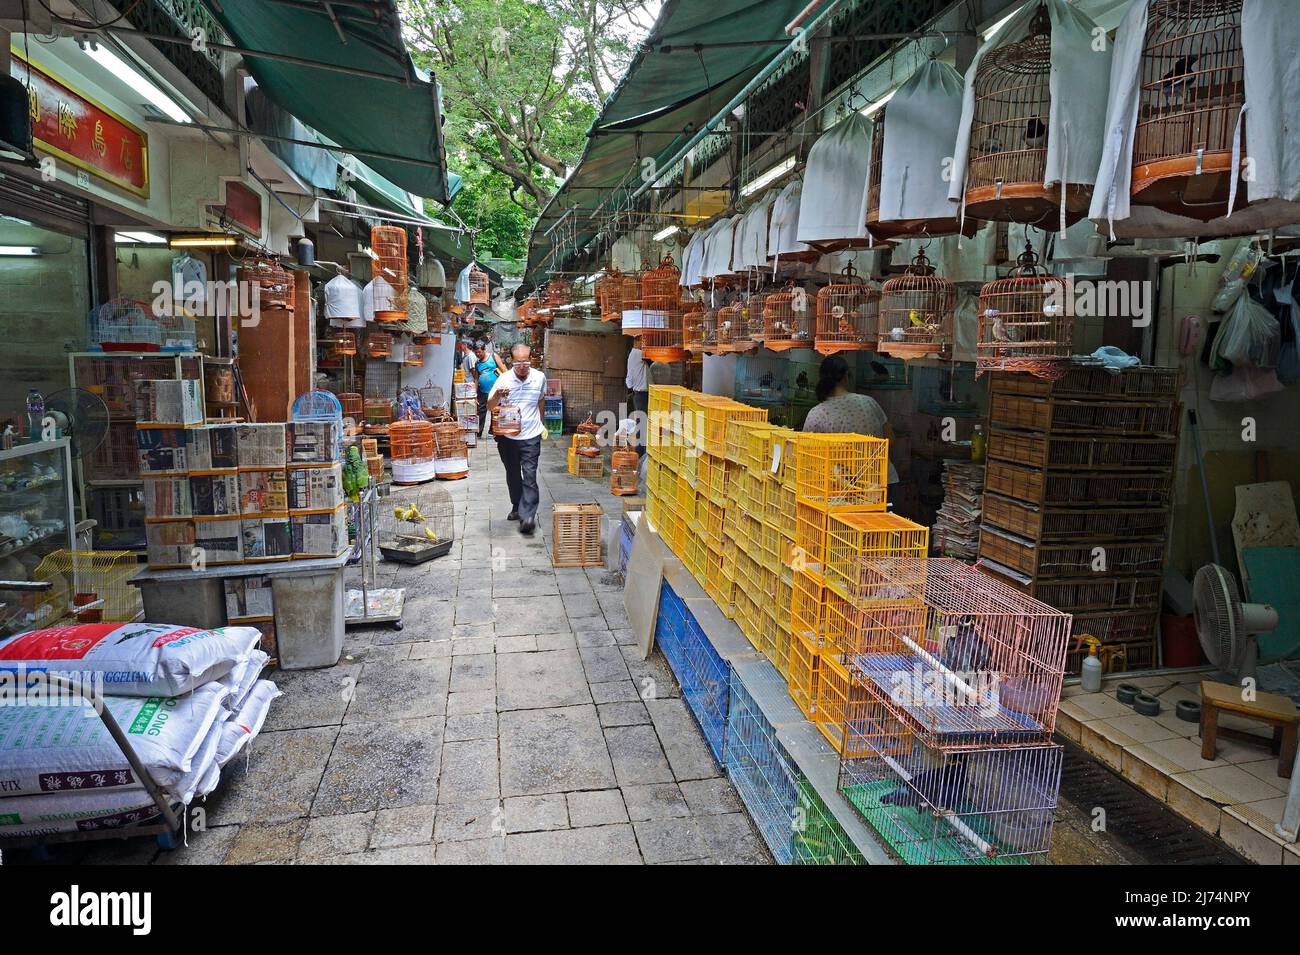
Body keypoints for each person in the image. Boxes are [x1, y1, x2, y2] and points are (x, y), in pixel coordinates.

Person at [804, 354, 899, 485]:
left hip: (844, 488)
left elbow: (808, 455)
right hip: (883, 480)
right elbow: (891, 439)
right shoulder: (869, 402)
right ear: (846, 376)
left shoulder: (816, 414)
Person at [487, 343, 547, 534]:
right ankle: (516, 506)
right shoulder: (503, 380)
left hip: (531, 434)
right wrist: (498, 394)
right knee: (513, 474)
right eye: (518, 362)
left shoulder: (539, 378)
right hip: (507, 437)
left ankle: (527, 516)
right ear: (511, 361)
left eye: (526, 362)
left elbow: (541, 400)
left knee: (529, 475)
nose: (522, 366)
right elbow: (490, 406)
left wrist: (541, 424)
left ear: (531, 360)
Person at [473, 342, 506, 437]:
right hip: (482, 390)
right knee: (480, 410)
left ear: (484, 350)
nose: (478, 354)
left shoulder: (493, 356)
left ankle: (492, 431)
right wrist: (475, 392)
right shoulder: (477, 363)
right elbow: (476, 378)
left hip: (495, 390)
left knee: (495, 410)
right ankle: (478, 432)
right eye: (476, 353)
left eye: (479, 352)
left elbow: (503, 370)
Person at [625, 336, 649, 455]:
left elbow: (629, 380)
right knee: (642, 424)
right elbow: (652, 356)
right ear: (637, 341)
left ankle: (640, 452)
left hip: (639, 394)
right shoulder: (638, 353)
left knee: (641, 423)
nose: (644, 344)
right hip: (641, 395)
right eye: (643, 341)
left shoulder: (633, 355)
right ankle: (641, 453)